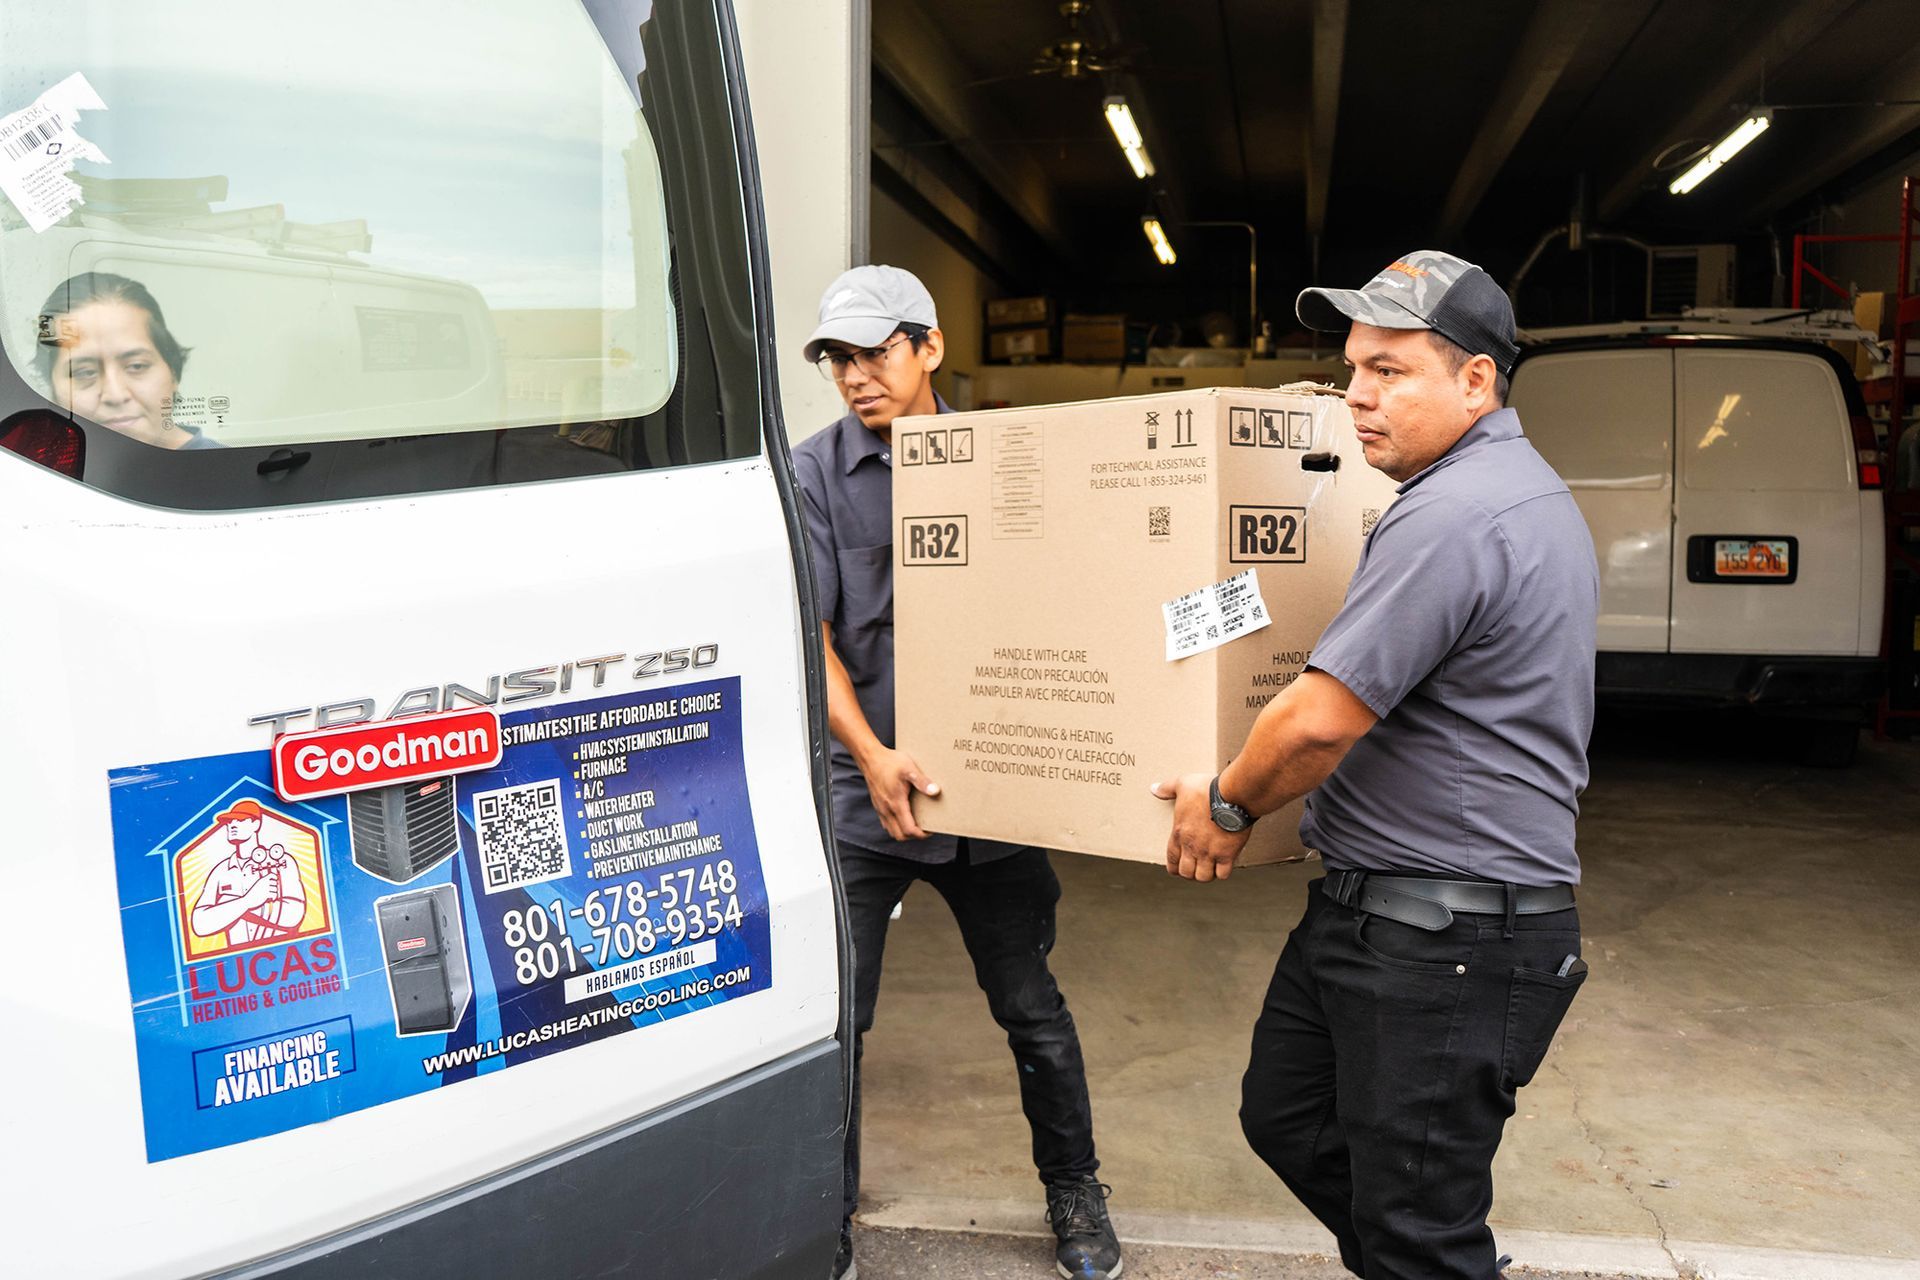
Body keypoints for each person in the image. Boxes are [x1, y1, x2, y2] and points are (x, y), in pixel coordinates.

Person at [1152, 250, 1598, 1278]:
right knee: (1290, 1113)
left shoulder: (1457, 513)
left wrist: (1223, 804)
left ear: (1475, 379)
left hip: (1448, 935)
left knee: (1418, 1226)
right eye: (1354, 367)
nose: (1355, 395)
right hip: (1387, 916)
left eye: (1389, 370)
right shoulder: (1491, 494)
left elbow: (1315, 723)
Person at [793, 264, 1122, 1280]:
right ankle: (823, 1211)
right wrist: (872, 754)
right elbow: (814, 637)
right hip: (870, 797)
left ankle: (1076, 1191)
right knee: (837, 1022)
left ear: (928, 346)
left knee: (1031, 1005)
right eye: (838, 359)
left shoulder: (1006, 456)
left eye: (874, 352)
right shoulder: (810, 472)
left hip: (992, 798)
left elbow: (1071, 605)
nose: (855, 376)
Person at [35, 271, 216, 449]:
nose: (116, 395)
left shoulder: (224, 470)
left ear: (173, 372)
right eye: (85, 372)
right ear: (52, 388)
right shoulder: (32, 470)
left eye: (137, 366)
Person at [190, 799, 309, 948]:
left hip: (284, 952)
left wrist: (227, 906)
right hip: (237, 961)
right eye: (229, 822)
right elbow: (199, 924)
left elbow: (294, 914)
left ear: (256, 824)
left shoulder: (281, 860)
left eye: (239, 820)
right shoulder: (220, 871)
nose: (231, 825)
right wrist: (248, 900)